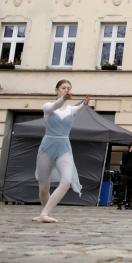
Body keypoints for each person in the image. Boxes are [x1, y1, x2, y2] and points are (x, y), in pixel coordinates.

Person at [35, 80, 89, 223]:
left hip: (64, 146)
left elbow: (78, 110)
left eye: (69, 88)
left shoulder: (71, 110)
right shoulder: (48, 107)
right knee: (43, 188)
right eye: (63, 88)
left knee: (66, 180)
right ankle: (45, 213)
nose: (66, 90)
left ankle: (44, 214)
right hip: (47, 146)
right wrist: (64, 99)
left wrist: (84, 103)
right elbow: (55, 105)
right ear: (56, 90)